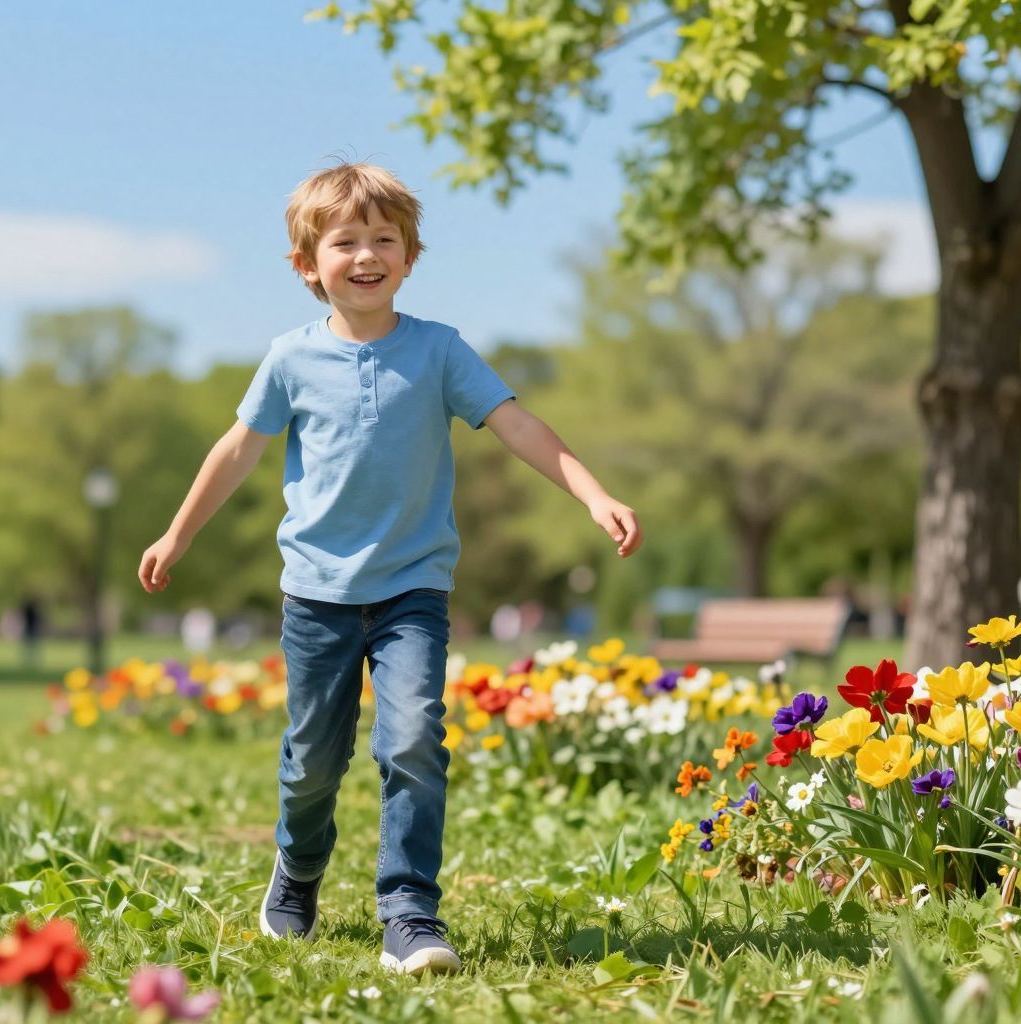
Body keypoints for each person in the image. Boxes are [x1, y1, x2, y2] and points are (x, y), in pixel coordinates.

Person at [137, 162, 643, 976]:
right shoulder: (290, 359)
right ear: (309, 265)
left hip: (413, 589)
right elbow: (236, 451)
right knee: (313, 760)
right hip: (317, 594)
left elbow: (517, 424)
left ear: (410, 256)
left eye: (385, 239)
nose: (367, 254)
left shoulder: (439, 351)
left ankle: (409, 911)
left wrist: (592, 493)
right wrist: (177, 534)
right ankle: (297, 873)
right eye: (346, 242)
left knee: (411, 739)